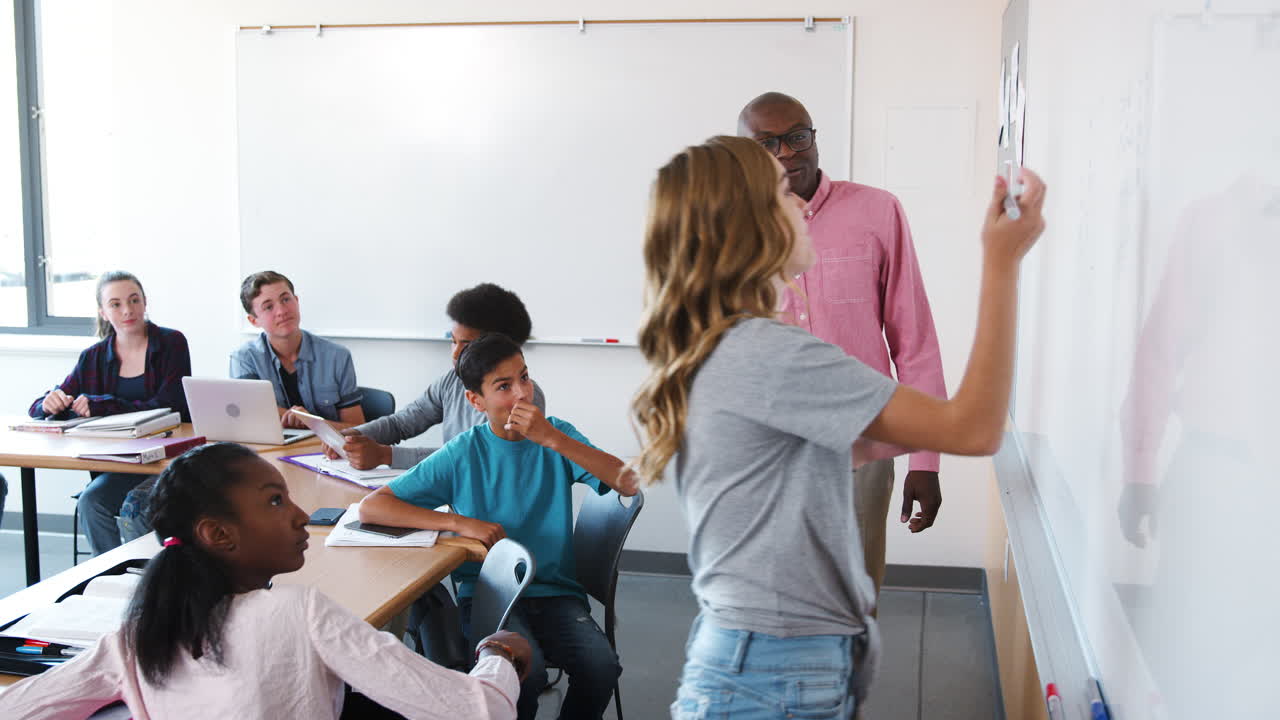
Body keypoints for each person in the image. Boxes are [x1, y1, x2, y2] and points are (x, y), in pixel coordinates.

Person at [631, 135, 1045, 718]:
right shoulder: (767, 354)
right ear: (748, 225)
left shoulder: (728, 346)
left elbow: (868, 438)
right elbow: (974, 429)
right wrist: (1002, 263)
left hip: (767, 662)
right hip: (772, 673)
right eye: (783, 194)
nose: (803, 205)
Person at [0, 442, 532, 720]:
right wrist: (501, 656)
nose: (301, 516)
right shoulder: (300, 612)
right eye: (276, 501)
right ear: (218, 534)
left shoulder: (135, 637)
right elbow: (476, 711)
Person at [359, 333, 637, 720]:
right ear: (476, 401)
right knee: (525, 675)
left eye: (524, 377)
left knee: (601, 666)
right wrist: (459, 522)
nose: (522, 393)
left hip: (556, 593)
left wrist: (553, 439)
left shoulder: (557, 435)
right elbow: (373, 507)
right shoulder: (463, 452)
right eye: (504, 386)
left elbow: (628, 482)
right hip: (489, 594)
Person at [739, 91, 949, 598]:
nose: (787, 154)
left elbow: (914, 342)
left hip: (860, 448)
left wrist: (925, 460)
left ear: (814, 138)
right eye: (767, 145)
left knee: (853, 600)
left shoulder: (877, 212)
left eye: (797, 137)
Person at [27, 271, 191, 555]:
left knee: (134, 506)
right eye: (116, 304)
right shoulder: (93, 357)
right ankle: (110, 573)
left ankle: (152, 577)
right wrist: (49, 403)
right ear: (103, 312)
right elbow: (40, 407)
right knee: (91, 502)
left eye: (134, 300)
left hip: (165, 463)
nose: (127, 310)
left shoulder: (171, 343)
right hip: (120, 465)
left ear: (145, 302)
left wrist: (104, 404)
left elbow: (170, 405)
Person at [330, 283, 545, 470]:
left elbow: (474, 458)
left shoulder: (520, 396)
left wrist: (386, 456)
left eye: (466, 345)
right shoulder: (451, 381)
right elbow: (402, 423)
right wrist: (352, 435)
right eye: (453, 341)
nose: (455, 353)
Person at [230, 270, 365, 428]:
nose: (282, 311)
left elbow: (356, 428)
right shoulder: (244, 359)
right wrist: (300, 419)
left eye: (286, 299)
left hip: (324, 444)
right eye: (268, 307)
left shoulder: (337, 356)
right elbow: (250, 414)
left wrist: (310, 422)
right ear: (254, 321)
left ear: (297, 300)